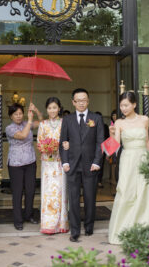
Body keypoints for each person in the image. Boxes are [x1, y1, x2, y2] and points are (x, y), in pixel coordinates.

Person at [108, 91, 149, 244]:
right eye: (121, 105)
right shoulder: (119, 123)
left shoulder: (145, 119)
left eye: (126, 105)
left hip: (143, 158)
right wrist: (111, 135)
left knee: (144, 192)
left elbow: (147, 141)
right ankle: (123, 229)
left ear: (134, 104)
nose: (123, 108)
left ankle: (142, 228)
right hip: (128, 159)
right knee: (126, 191)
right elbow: (114, 147)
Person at [59, 88, 104, 242]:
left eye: (84, 100)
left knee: (90, 197)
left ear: (88, 100)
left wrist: (97, 162)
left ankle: (89, 227)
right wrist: (64, 162)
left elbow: (100, 143)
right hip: (72, 165)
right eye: (78, 100)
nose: (81, 103)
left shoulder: (96, 118)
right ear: (73, 102)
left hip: (90, 164)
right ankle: (75, 230)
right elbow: (63, 142)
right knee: (73, 199)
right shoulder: (67, 120)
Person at [6, 102, 43, 230]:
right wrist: (29, 121)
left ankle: (29, 215)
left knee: (30, 190)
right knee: (17, 192)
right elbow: (22, 136)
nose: (18, 116)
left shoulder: (26, 123)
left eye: (21, 113)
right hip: (15, 164)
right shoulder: (9, 128)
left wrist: (36, 110)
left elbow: (43, 123)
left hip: (30, 162)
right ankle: (18, 220)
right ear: (11, 116)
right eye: (15, 114)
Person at [37, 97, 69, 234]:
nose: (52, 110)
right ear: (47, 109)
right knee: (48, 192)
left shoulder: (64, 123)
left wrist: (63, 146)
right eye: (49, 108)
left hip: (60, 162)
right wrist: (46, 147)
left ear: (59, 109)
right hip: (47, 164)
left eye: (54, 107)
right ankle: (48, 224)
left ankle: (61, 223)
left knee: (60, 192)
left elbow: (68, 140)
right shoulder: (43, 124)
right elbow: (39, 142)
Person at [95, 111, 109, 188]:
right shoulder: (91, 125)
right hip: (92, 149)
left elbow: (107, 138)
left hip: (102, 148)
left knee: (101, 165)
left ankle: (99, 181)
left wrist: (107, 152)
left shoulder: (105, 126)